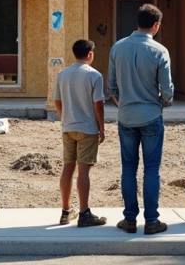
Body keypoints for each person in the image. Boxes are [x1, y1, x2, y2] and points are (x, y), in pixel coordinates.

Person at [107, 3, 174, 235]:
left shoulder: (117, 48)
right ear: (156, 25)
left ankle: (130, 219)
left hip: (126, 116)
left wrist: (123, 101)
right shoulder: (159, 51)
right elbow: (167, 91)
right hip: (151, 115)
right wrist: (162, 102)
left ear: (137, 22)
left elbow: (112, 86)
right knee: (151, 169)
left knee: (128, 168)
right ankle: (152, 220)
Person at [54, 39, 108, 228]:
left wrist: (64, 119)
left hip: (68, 127)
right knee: (83, 170)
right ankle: (85, 213)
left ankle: (65, 211)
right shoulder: (94, 75)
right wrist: (101, 127)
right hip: (87, 128)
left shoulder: (63, 74)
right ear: (90, 54)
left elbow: (57, 101)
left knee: (68, 168)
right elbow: (98, 104)